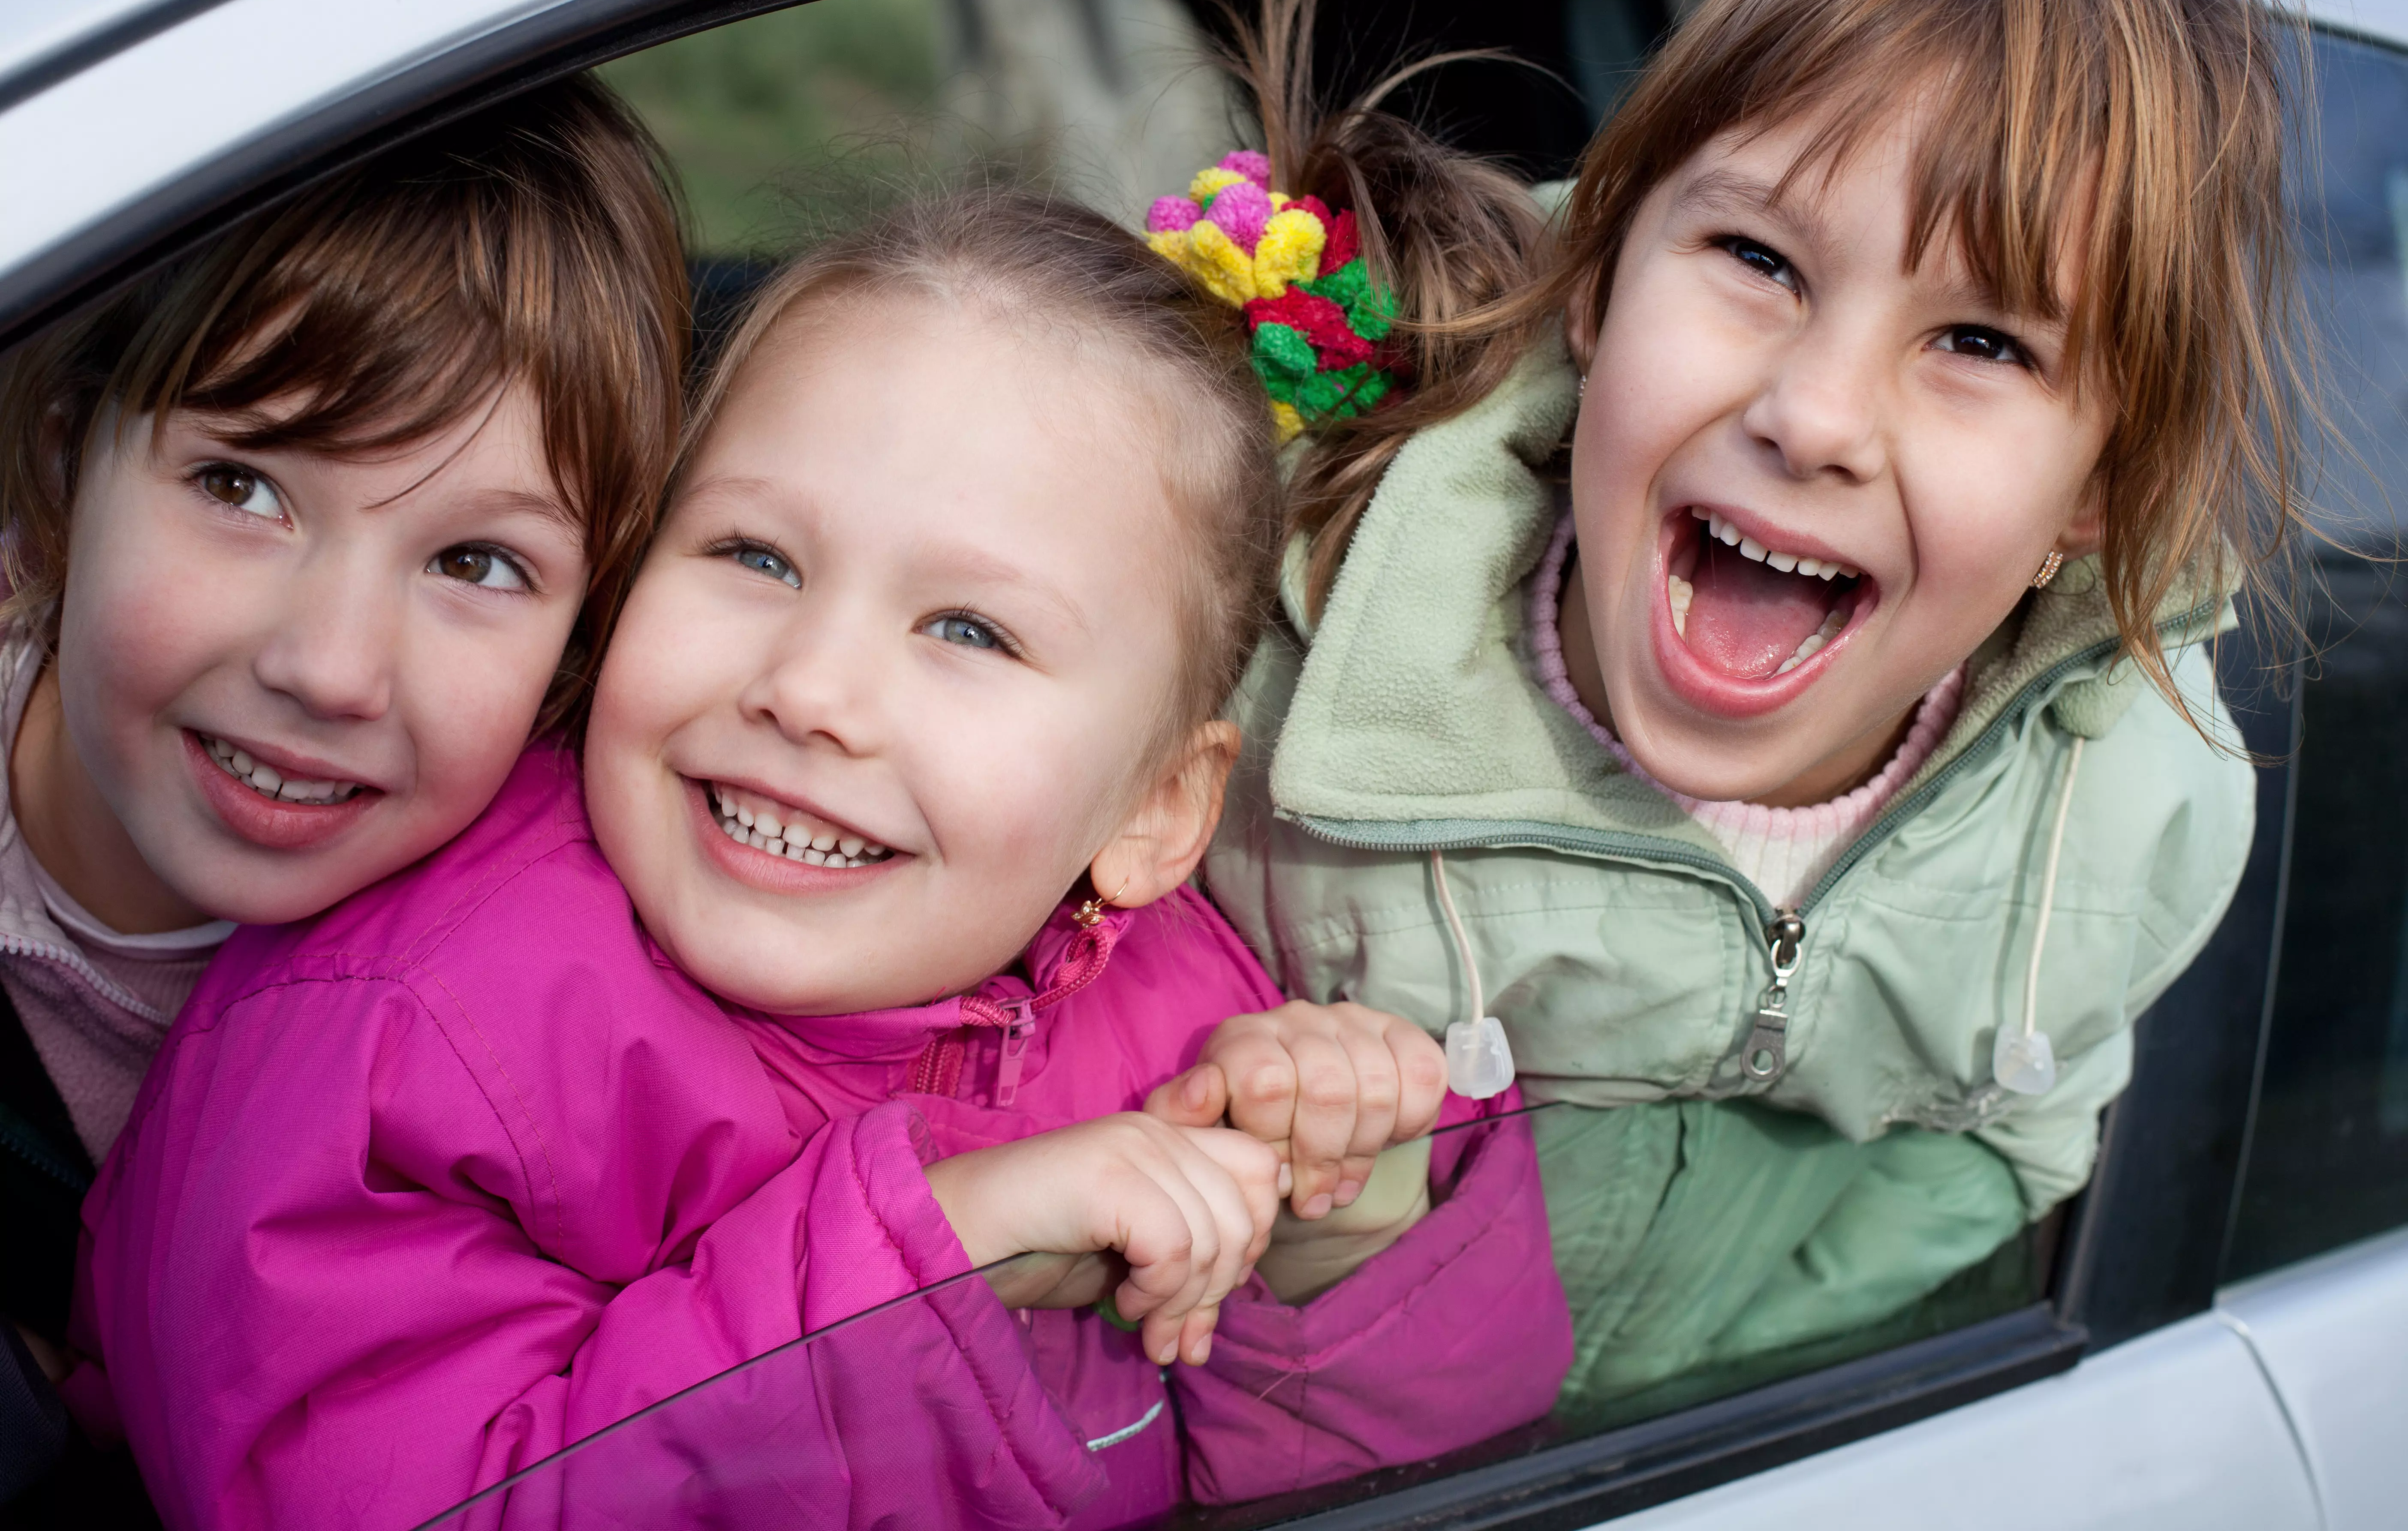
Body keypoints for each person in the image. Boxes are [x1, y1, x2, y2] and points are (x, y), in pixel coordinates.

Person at [80, 186, 1569, 1531]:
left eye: (969, 631)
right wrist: (935, 1257)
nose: (813, 690)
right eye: (756, 559)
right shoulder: (417, 1030)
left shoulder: (1187, 1018)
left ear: (1156, 814)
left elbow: (1419, 1489)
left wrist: (1348, 1227)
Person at [1202, 0, 2301, 1411]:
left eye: (1981, 341)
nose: (1817, 415)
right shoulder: (1272, 722)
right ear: (1595, 281)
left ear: (2097, 493)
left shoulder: (2122, 809)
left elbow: (2014, 1155)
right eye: (1758, 260)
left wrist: (1718, 1389)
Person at [0, 75, 686, 1499]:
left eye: (476, 564)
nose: (330, 670)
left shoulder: (580, 981)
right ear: (69, 453)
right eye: (244, 487)